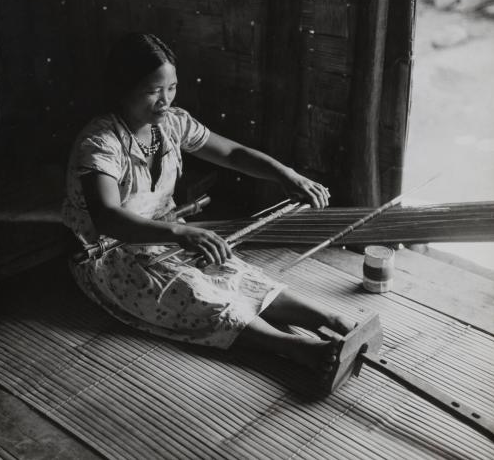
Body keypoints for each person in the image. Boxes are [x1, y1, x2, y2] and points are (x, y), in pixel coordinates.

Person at [63, 32, 353, 381]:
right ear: (122, 88)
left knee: (233, 272)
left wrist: (286, 174)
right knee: (193, 293)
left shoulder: (170, 124)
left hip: (168, 234)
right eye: (153, 91)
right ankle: (292, 347)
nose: (165, 101)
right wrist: (180, 232)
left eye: (171, 88)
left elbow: (231, 153)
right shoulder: (101, 144)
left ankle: (329, 320)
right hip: (108, 252)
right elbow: (107, 217)